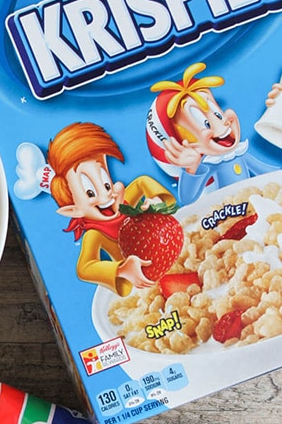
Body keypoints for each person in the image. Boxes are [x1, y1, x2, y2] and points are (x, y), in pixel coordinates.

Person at [45, 122, 176, 295]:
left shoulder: (124, 204)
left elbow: (142, 182)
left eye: (107, 184)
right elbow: (85, 267)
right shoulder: (95, 234)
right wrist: (121, 269)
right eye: (90, 193)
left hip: (170, 257)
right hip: (140, 286)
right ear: (72, 210)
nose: (106, 196)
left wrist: (157, 201)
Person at [146, 62, 281, 204]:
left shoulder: (239, 154)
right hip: (226, 214)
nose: (221, 125)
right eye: (205, 123)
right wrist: (191, 169)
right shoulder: (207, 165)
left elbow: (269, 172)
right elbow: (188, 198)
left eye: (218, 114)